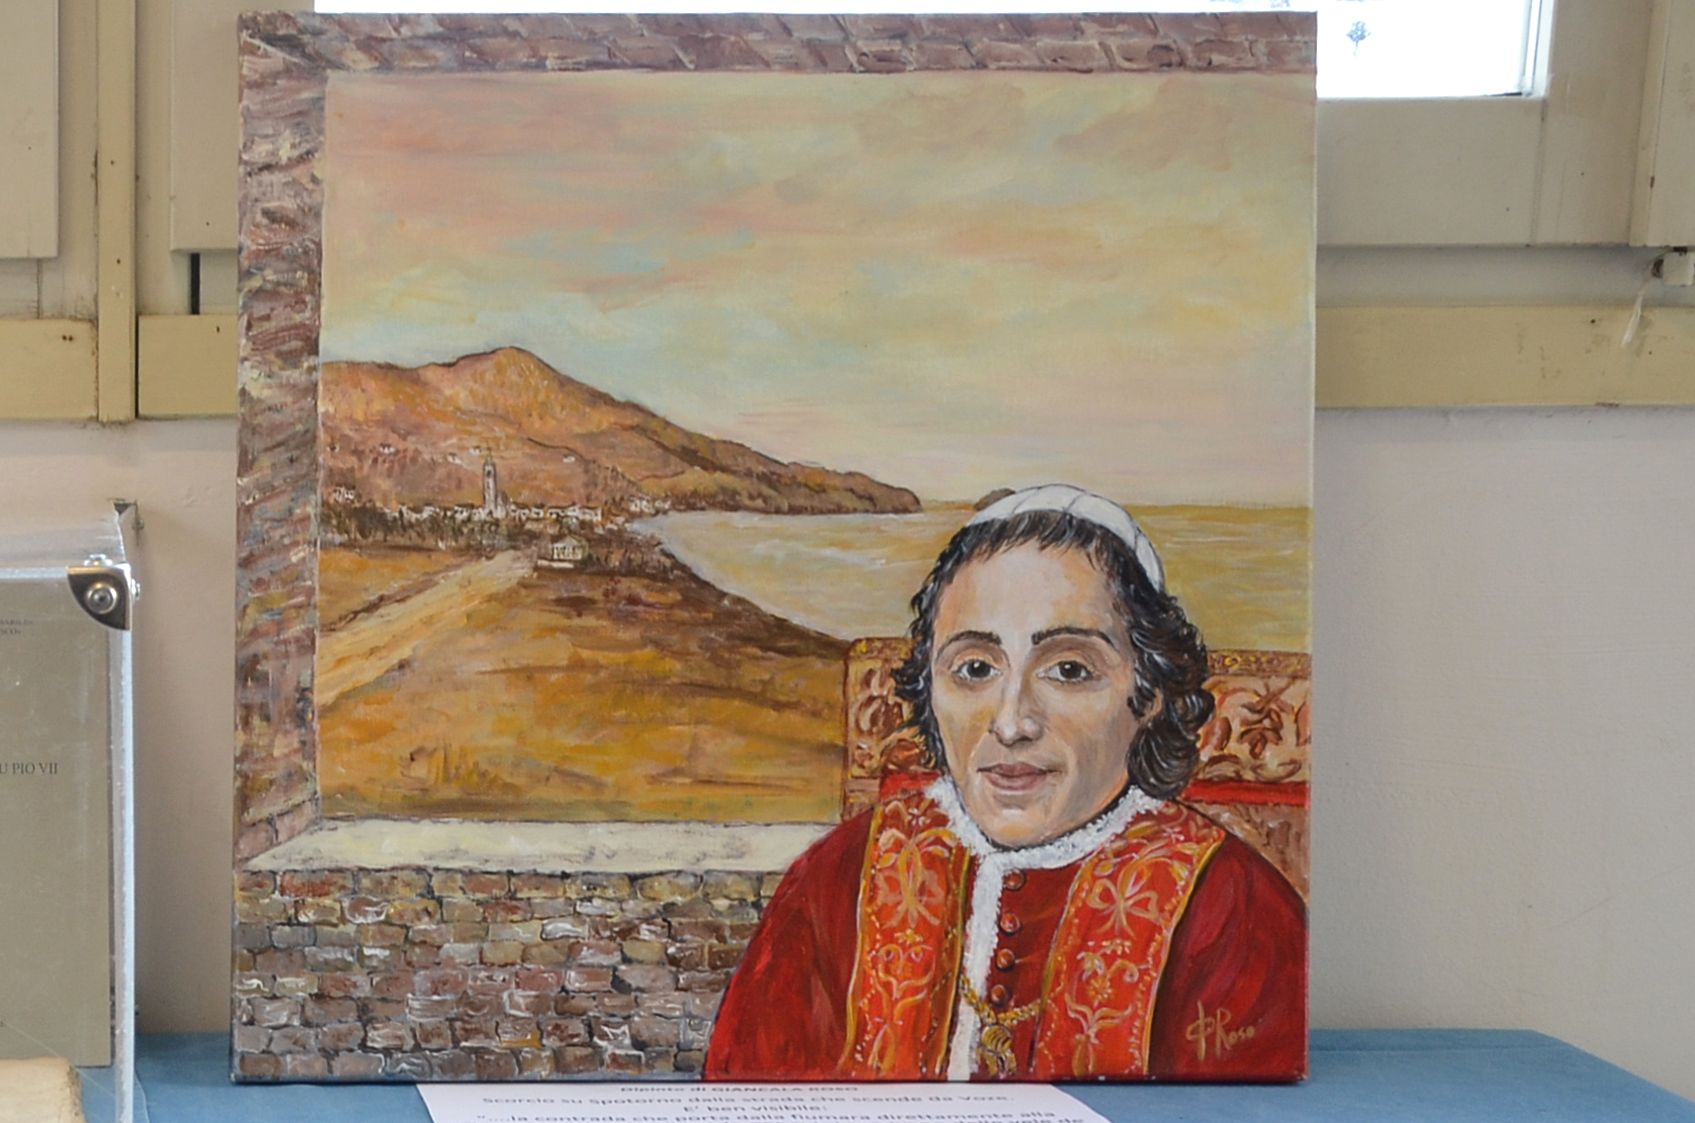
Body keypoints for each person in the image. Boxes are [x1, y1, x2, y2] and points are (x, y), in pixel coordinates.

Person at [705, 485, 1306, 1081]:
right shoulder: (837, 879)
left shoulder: (1238, 914)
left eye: (1069, 669)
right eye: (974, 669)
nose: (1012, 722)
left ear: (1147, 694)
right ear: (930, 688)